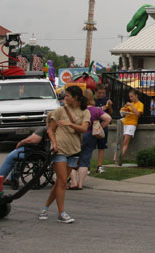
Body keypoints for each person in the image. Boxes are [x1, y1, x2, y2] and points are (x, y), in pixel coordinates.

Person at [39, 85, 90, 224]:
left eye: (68, 96)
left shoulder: (85, 112)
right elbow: (50, 130)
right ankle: (61, 213)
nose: (65, 98)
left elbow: (84, 129)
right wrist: (54, 143)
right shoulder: (60, 110)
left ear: (76, 97)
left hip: (74, 150)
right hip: (60, 149)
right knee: (62, 181)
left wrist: (70, 124)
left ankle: (45, 207)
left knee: (59, 184)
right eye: (65, 95)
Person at [68, 89, 112, 190]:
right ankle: (80, 184)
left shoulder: (76, 109)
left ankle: (73, 182)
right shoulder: (95, 109)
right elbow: (108, 118)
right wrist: (99, 127)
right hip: (90, 135)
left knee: (72, 158)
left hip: (76, 135)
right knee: (85, 159)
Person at [115, 89, 143, 162]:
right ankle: (115, 157)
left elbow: (137, 114)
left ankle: (119, 158)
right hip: (124, 122)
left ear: (136, 96)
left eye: (132, 96)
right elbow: (122, 110)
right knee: (119, 141)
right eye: (130, 97)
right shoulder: (130, 104)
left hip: (131, 124)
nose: (130, 98)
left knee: (125, 141)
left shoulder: (140, 104)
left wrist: (131, 106)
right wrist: (124, 110)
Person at [93, 85, 113, 173]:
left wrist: (109, 107)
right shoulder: (92, 101)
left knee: (102, 146)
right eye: (99, 93)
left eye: (103, 93)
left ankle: (99, 166)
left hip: (103, 126)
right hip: (94, 125)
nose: (101, 95)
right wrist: (101, 109)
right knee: (91, 146)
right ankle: (87, 166)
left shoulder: (105, 100)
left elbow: (110, 113)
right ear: (95, 92)